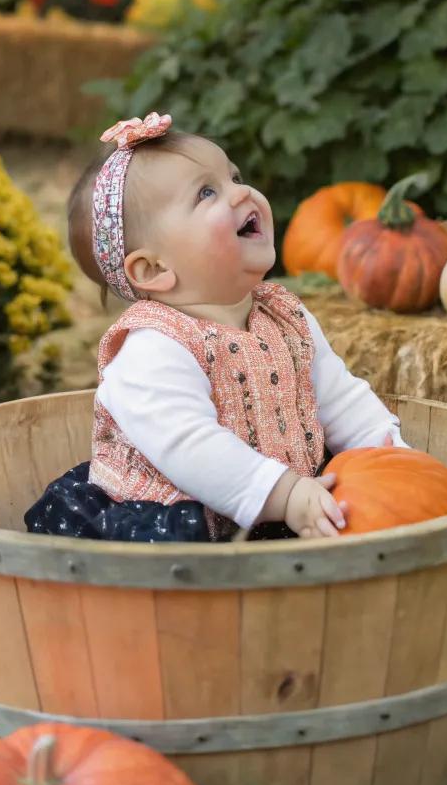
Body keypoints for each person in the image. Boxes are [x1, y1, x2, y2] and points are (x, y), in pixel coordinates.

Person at [25, 112, 405, 544]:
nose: (241, 192)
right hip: (180, 523)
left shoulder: (284, 315)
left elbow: (340, 399)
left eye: (234, 176)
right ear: (153, 269)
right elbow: (193, 447)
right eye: (207, 192)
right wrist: (286, 495)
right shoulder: (153, 348)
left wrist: (390, 458)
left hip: (281, 501)